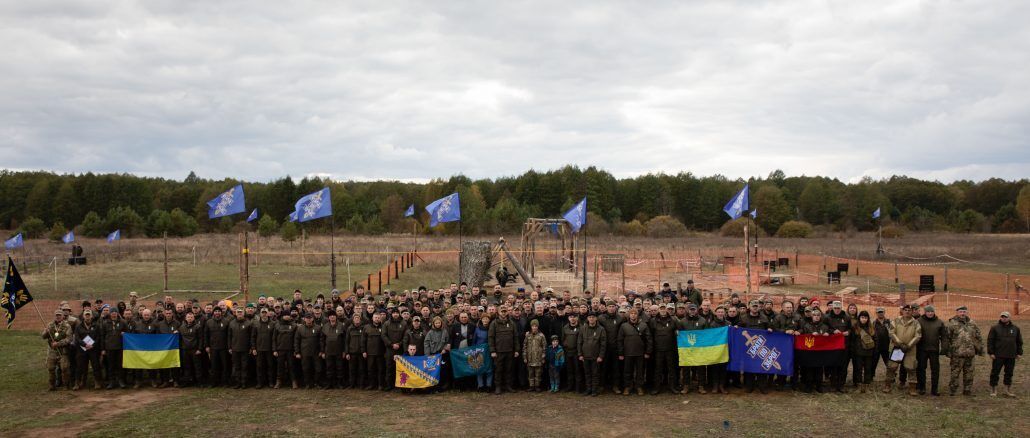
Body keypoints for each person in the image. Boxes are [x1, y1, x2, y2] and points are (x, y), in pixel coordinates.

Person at [945, 306, 983, 396]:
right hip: (957, 354)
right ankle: (953, 390)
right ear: (957, 312)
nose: (962, 313)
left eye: (964, 312)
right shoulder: (952, 324)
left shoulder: (972, 323)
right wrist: (949, 351)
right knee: (955, 373)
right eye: (961, 312)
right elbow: (947, 338)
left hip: (970, 353)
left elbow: (978, 336)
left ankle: (967, 389)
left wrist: (979, 349)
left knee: (969, 373)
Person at [886, 304, 922, 395]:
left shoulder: (916, 323)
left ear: (912, 312)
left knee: (911, 368)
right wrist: (900, 343)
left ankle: (912, 388)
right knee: (892, 367)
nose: (907, 311)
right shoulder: (896, 320)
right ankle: (887, 385)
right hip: (897, 348)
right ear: (902, 311)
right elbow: (891, 332)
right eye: (905, 310)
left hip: (910, 349)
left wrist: (909, 345)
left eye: (909, 310)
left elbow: (918, 336)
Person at [987, 311, 1022, 397]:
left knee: (1009, 373)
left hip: (1011, 355)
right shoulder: (995, 328)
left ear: (1009, 318)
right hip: (998, 355)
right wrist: (991, 352)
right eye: (1002, 317)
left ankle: (1007, 389)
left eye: (1005, 317)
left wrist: (1019, 353)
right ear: (1000, 318)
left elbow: (1019, 341)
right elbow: (990, 341)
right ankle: (993, 389)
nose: (1004, 318)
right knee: (995, 372)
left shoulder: (1015, 328)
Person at [618, 308, 651, 396]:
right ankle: (628, 387)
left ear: (637, 315)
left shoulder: (644, 325)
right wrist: (620, 353)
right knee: (627, 371)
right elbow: (620, 340)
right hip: (628, 353)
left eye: (635, 313)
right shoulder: (624, 326)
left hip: (640, 353)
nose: (633, 315)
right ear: (629, 315)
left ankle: (639, 387)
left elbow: (649, 340)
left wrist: (648, 352)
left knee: (640, 371)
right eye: (631, 313)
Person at [916, 305, 947, 396]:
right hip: (922, 350)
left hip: (934, 350)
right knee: (921, 368)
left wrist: (944, 347)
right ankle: (922, 387)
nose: (930, 313)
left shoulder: (939, 322)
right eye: (928, 311)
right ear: (925, 312)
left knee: (935, 370)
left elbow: (944, 336)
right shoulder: (918, 321)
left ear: (934, 312)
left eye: (932, 311)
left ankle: (934, 389)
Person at [488, 305, 520, 394]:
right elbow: (490, 338)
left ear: (507, 312)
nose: (503, 313)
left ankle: (508, 386)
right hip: (498, 352)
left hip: (510, 351)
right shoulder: (494, 323)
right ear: (498, 312)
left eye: (505, 311)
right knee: (498, 370)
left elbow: (516, 337)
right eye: (502, 311)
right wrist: (493, 351)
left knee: (509, 370)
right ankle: (498, 387)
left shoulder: (512, 323)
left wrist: (517, 350)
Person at [651, 303, 678, 395]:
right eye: (661, 308)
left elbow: (678, 330)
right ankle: (656, 388)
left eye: (664, 308)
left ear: (667, 309)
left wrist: (677, 332)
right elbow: (650, 335)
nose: (663, 310)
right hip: (658, 349)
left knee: (671, 369)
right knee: (658, 369)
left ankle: (672, 387)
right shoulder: (653, 320)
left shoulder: (673, 320)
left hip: (670, 349)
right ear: (658, 309)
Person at [43, 309, 74, 390]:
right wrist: (46, 332)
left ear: (63, 316)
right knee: (51, 368)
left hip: (63, 351)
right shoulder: (50, 325)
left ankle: (66, 385)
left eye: (59, 315)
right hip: (52, 351)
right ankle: (52, 385)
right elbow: (43, 337)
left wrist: (59, 343)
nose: (58, 317)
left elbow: (69, 339)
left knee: (65, 368)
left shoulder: (67, 326)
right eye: (56, 315)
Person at [800, 309, 830, 393]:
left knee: (819, 369)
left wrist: (828, 334)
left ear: (820, 316)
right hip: (809, 351)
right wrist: (810, 335)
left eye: (818, 315)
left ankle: (819, 386)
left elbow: (830, 336)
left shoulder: (824, 326)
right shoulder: (807, 326)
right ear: (812, 316)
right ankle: (808, 386)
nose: (816, 317)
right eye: (814, 315)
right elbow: (802, 337)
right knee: (809, 369)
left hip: (820, 352)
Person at [578, 313, 606, 396]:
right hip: (585, 356)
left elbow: (603, 344)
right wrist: (580, 354)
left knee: (595, 374)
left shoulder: (601, 329)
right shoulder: (583, 328)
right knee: (587, 373)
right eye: (590, 317)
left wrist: (601, 356)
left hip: (596, 356)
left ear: (596, 318)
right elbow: (579, 342)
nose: (591, 319)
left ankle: (594, 390)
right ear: (587, 318)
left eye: (593, 317)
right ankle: (588, 389)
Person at [100, 308, 128, 389]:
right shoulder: (105, 323)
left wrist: (125, 334)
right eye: (112, 312)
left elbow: (128, 334)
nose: (114, 314)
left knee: (120, 365)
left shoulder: (123, 322)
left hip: (120, 348)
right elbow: (102, 336)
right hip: (109, 348)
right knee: (110, 366)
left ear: (117, 313)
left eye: (115, 312)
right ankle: (111, 382)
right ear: (110, 314)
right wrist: (103, 349)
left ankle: (121, 381)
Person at [851, 311, 877, 393]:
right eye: (862, 317)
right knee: (858, 369)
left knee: (868, 369)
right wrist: (853, 351)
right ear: (859, 318)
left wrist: (874, 350)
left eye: (865, 318)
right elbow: (852, 341)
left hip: (869, 353)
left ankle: (867, 386)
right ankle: (859, 386)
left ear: (868, 319)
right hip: (858, 353)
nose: (864, 319)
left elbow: (876, 339)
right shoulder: (855, 328)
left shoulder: (871, 328)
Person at [204, 307, 231, 387]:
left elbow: (229, 335)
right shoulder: (209, 322)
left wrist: (229, 346)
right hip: (213, 348)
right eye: (215, 311)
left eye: (219, 311)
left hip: (224, 347)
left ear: (221, 312)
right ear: (213, 312)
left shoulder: (226, 321)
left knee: (225, 366)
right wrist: (207, 346)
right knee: (214, 366)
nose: (217, 312)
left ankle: (225, 382)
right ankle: (214, 382)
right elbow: (206, 335)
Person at [228, 307, 253, 389]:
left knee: (244, 366)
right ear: (235, 313)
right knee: (237, 366)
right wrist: (230, 347)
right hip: (235, 348)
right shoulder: (231, 323)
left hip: (245, 349)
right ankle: (238, 382)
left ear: (244, 313)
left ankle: (244, 383)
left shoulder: (248, 323)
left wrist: (251, 347)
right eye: (238, 312)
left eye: (241, 312)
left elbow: (251, 336)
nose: (239, 313)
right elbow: (229, 336)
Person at [424, 316, 451, 391]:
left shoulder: (444, 331)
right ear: (433, 324)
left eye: (439, 323)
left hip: (442, 354)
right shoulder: (430, 333)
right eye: (436, 323)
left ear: (441, 323)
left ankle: (444, 385)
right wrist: (427, 355)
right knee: (433, 371)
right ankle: (433, 386)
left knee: (444, 370)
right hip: (433, 355)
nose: (438, 324)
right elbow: (426, 344)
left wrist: (445, 349)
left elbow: (447, 341)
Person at [251, 308, 276, 389]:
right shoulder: (256, 324)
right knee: (259, 366)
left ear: (268, 313)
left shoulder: (273, 323)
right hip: (259, 349)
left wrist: (274, 349)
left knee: (270, 366)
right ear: (260, 313)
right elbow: (253, 337)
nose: (264, 314)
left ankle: (271, 382)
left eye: (265, 312)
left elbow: (274, 338)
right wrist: (254, 348)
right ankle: (260, 383)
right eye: (263, 312)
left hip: (269, 349)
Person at [321, 312, 346, 389]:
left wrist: (344, 351)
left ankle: (339, 383)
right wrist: (322, 351)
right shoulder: (325, 326)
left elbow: (345, 339)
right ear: (328, 318)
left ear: (336, 317)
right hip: (328, 351)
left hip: (339, 351)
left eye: (333, 316)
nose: (332, 317)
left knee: (339, 367)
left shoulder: (341, 325)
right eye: (330, 316)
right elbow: (322, 340)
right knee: (329, 367)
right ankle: (329, 383)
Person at [273, 313, 298, 389]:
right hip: (280, 349)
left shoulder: (294, 325)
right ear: (282, 316)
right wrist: (274, 349)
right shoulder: (277, 325)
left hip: (290, 350)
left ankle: (294, 381)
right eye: (285, 315)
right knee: (280, 366)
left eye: (288, 315)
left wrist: (296, 350)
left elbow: (296, 339)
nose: (286, 316)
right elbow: (274, 338)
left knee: (291, 366)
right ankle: (279, 381)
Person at [179, 311, 204, 387]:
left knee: (197, 367)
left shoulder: (198, 327)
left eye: (191, 317)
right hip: (185, 350)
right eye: (188, 317)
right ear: (185, 318)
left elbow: (200, 338)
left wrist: (199, 349)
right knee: (186, 366)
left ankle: (199, 382)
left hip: (195, 350)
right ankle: (187, 381)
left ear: (194, 318)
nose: (190, 318)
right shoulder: (181, 327)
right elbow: (180, 338)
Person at [362, 312, 386, 390]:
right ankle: (371, 384)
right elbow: (363, 340)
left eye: (378, 317)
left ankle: (380, 385)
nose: (377, 319)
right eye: (375, 317)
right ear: (372, 318)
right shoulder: (366, 327)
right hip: (370, 353)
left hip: (381, 352)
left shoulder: (384, 327)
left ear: (380, 318)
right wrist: (364, 351)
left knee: (381, 370)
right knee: (370, 369)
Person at [560, 313, 582, 393]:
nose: (572, 319)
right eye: (571, 317)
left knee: (577, 370)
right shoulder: (565, 327)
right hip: (567, 352)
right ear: (568, 318)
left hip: (576, 352)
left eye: (574, 317)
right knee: (569, 370)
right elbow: (563, 338)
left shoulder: (581, 327)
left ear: (577, 318)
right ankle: (570, 386)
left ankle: (578, 387)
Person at [523, 320, 547, 392]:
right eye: (533, 326)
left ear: (537, 327)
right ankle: (531, 386)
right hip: (530, 358)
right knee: (530, 373)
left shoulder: (541, 335)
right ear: (531, 327)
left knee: (538, 373)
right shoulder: (528, 335)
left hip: (538, 358)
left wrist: (543, 356)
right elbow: (524, 346)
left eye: (536, 326)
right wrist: (524, 357)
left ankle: (537, 386)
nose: (534, 327)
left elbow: (544, 347)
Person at [344, 314, 365, 389]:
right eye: (355, 318)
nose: (357, 319)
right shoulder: (349, 329)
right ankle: (352, 384)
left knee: (361, 369)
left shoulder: (363, 328)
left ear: (360, 319)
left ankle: (361, 384)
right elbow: (346, 341)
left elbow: (365, 340)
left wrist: (364, 351)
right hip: (352, 353)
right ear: (353, 319)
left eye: (358, 318)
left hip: (361, 353)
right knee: (352, 370)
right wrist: (347, 353)